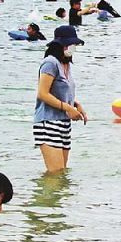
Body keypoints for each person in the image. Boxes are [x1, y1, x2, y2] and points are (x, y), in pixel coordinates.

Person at [34, 25, 87, 172]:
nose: (74, 47)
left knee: (62, 173)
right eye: (72, 44)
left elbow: (61, 93)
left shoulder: (66, 65)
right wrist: (68, 108)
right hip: (48, 122)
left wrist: (76, 105)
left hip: (63, 123)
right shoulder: (50, 63)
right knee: (55, 173)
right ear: (61, 45)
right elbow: (43, 94)